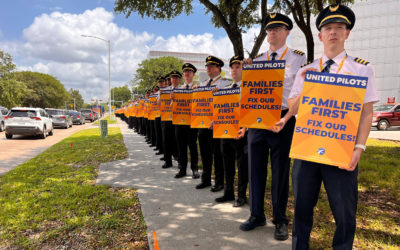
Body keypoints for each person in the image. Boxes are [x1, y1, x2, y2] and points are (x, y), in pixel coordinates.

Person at [273, 4, 379, 249]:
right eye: (328, 28)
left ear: (347, 33)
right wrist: (304, 88)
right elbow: (293, 107)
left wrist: (359, 148)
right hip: (306, 150)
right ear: (320, 35)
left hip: (341, 150)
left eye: (339, 27)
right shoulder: (306, 70)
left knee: (344, 213)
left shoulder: (362, 69)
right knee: (301, 209)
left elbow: (367, 113)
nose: (334, 32)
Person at [240, 13, 306, 242]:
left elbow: (300, 94)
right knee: (255, 170)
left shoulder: (299, 59)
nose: (272, 33)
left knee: (280, 172)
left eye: (277, 28)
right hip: (257, 120)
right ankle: (256, 214)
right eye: (269, 29)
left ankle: (279, 219)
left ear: (287, 31)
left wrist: (288, 117)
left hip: (282, 119)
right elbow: (247, 94)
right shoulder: (256, 60)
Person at [215, 55, 249, 207]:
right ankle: (228, 192)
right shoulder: (226, 90)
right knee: (226, 163)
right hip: (225, 132)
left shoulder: (250, 88)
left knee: (242, 165)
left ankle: (241, 195)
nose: (235, 70)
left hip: (241, 132)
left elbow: (252, 111)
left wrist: (245, 128)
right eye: (233, 67)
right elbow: (221, 111)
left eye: (238, 67)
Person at [195, 55, 230, 192]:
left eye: (211, 66)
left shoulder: (225, 84)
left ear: (218, 68)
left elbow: (228, 104)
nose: (208, 69)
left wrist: (219, 94)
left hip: (217, 124)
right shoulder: (203, 85)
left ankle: (219, 182)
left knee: (218, 154)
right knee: (204, 153)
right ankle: (206, 179)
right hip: (203, 124)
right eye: (207, 67)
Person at [174, 63, 200, 179]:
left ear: (193, 74)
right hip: (180, 122)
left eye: (189, 71)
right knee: (181, 147)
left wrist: (198, 92)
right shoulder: (177, 90)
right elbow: (172, 107)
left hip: (192, 122)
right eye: (185, 72)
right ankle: (182, 169)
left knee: (193, 146)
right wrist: (172, 99)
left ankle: (195, 169)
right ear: (183, 75)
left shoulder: (198, 88)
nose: (187, 73)